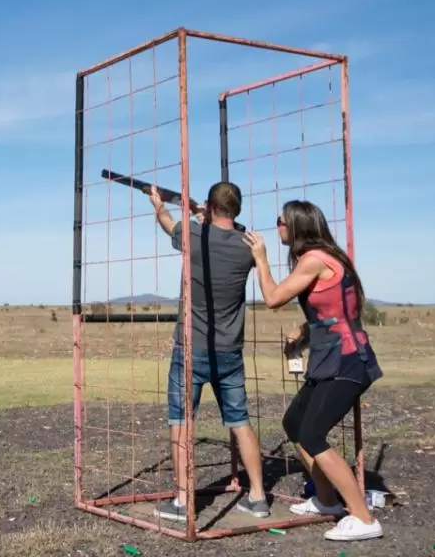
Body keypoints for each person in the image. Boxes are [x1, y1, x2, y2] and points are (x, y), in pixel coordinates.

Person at [242, 199, 384, 542]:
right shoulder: (325, 257)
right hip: (331, 358)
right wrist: (304, 334)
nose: (277, 226)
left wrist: (260, 259)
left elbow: (274, 298)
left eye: (280, 221)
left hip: (348, 360)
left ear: (296, 225)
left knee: (312, 435)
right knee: (294, 423)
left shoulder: (314, 259)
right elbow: (333, 310)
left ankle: (364, 518)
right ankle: (326, 500)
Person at [148, 181, 270, 522]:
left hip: (191, 347)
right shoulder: (249, 245)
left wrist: (159, 204)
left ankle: (183, 501)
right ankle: (258, 496)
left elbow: (167, 223)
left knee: (181, 422)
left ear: (210, 207)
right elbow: (231, 230)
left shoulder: (195, 236)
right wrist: (205, 216)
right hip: (230, 351)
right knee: (240, 422)